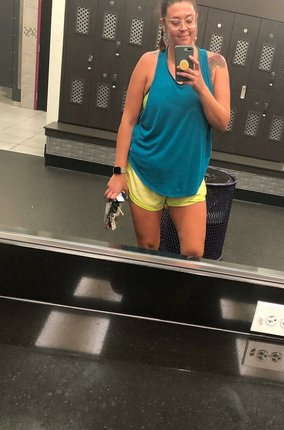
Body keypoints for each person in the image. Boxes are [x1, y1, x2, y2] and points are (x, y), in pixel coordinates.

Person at [105, 0, 230, 258]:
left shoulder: (215, 64)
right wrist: (119, 172)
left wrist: (200, 86)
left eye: (189, 20)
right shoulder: (148, 63)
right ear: (164, 24)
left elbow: (222, 123)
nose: (183, 27)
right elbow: (128, 120)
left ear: (196, 20)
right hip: (145, 171)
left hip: (188, 175)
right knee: (148, 248)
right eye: (175, 21)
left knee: (193, 254)